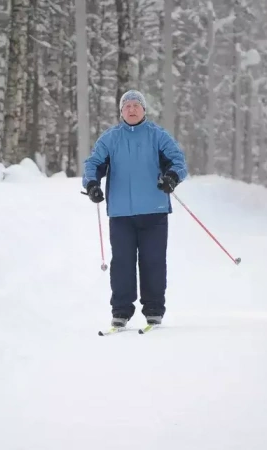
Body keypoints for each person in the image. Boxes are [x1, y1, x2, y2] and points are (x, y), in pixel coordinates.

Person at [82, 89, 189, 328]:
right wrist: (91, 185)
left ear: (143, 110)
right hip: (121, 213)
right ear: (121, 111)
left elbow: (178, 161)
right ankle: (121, 310)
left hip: (154, 210)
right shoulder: (111, 138)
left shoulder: (157, 136)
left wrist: (171, 177)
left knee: (153, 261)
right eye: (127, 106)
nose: (131, 109)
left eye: (136, 105)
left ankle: (153, 309)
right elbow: (94, 163)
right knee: (122, 262)